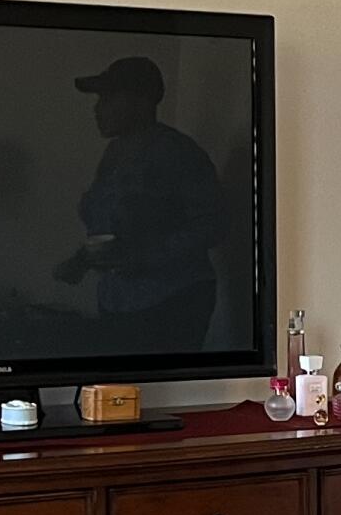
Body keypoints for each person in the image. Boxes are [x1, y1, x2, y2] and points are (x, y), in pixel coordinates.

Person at [55, 54, 223, 344]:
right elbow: (108, 224)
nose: (98, 109)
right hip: (118, 303)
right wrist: (81, 260)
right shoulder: (114, 154)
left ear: (141, 101)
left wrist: (145, 258)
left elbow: (212, 224)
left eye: (108, 99)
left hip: (171, 304)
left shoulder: (177, 153)